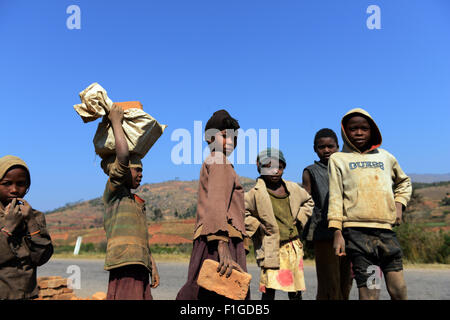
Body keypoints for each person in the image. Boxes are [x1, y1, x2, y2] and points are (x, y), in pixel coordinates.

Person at [328, 108, 412, 300]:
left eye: (364, 128)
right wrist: (337, 231)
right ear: (344, 131)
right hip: (357, 234)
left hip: (385, 231)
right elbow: (335, 196)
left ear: (372, 130)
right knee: (370, 293)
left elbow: (404, 182)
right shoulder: (338, 159)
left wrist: (399, 204)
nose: (359, 133)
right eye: (353, 129)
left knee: (399, 289)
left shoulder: (385, 157)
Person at [176, 109, 248, 300]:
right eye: (225, 136)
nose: (231, 141)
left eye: (235, 137)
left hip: (213, 237)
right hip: (220, 239)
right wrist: (222, 244)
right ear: (209, 138)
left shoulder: (216, 161)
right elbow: (217, 203)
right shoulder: (219, 160)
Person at [101, 104, 160, 300]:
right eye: (137, 170)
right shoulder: (114, 192)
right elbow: (123, 157)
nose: (141, 175)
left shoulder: (136, 202)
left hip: (139, 265)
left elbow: (142, 238)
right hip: (124, 264)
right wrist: (116, 122)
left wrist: (152, 264)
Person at [245, 148, 314, 300]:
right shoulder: (254, 193)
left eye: (279, 167)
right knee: (269, 289)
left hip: (292, 247)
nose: (274, 171)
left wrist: (301, 218)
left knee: (295, 290)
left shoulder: (293, 188)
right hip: (271, 247)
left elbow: (309, 201)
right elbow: (242, 212)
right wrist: (257, 225)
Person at [302, 128, 352, 300]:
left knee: (346, 282)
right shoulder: (310, 171)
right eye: (321, 147)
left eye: (330, 146)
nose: (326, 150)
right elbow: (306, 202)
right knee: (328, 282)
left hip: (348, 231)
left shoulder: (346, 168)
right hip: (323, 232)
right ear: (315, 149)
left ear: (338, 147)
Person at [0, 155, 53, 299]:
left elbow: (41, 258)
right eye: (7, 183)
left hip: (27, 295)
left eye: (21, 183)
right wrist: (8, 227)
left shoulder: (34, 216)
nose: (14, 190)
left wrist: (30, 221)